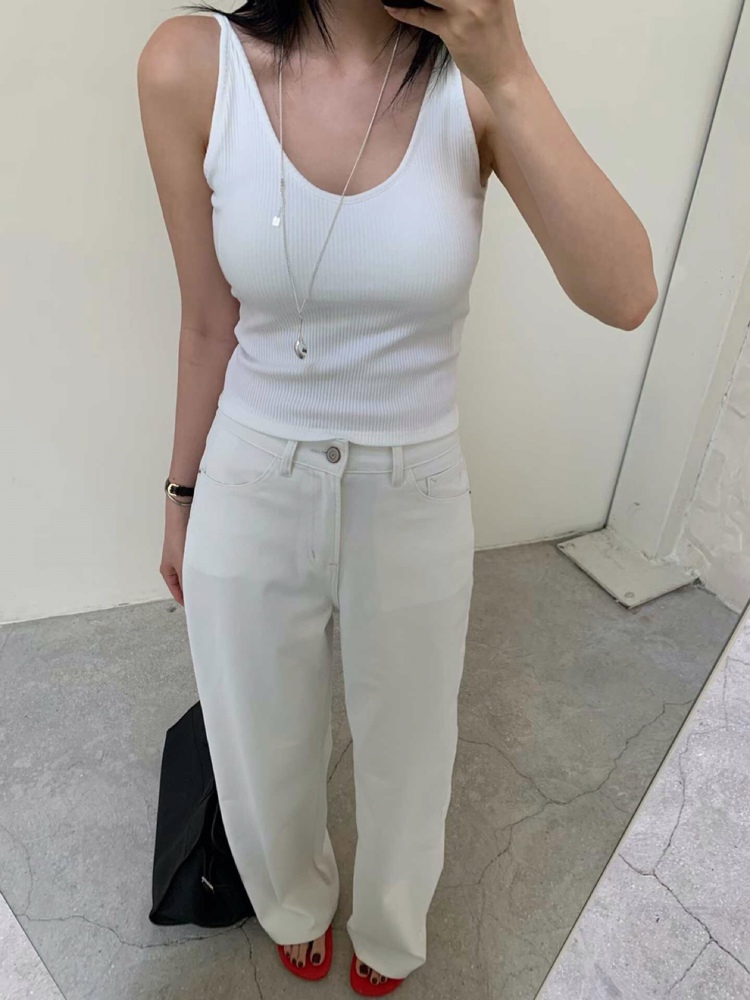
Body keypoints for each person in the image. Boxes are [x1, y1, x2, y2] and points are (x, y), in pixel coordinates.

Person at [137, 0, 657, 992]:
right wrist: (181, 490)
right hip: (251, 469)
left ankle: (389, 925)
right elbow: (207, 319)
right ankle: (292, 899)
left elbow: (626, 293)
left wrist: (509, 71)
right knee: (259, 737)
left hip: (413, 480)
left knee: (411, 747)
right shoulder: (191, 64)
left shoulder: (474, 82)